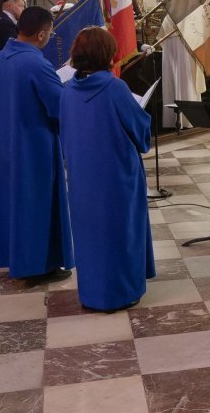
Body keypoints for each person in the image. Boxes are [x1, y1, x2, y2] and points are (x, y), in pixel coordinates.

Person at [59, 27, 155, 312]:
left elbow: (64, 133)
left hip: (82, 176)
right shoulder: (114, 88)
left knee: (90, 235)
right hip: (116, 176)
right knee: (120, 232)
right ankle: (121, 292)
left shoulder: (67, 91)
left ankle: (92, 293)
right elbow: (139, 130)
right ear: (107, 54)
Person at [0, 6, 74, 281]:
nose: (50, 38)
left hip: (5, 144)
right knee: (37, 206)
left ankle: (22, 260)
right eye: (50, 33)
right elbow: (59, 106)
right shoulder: (35, 63)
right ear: (40, 34)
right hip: (33, 146)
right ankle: (37, 266)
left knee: (18, 205)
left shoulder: (1, 58)